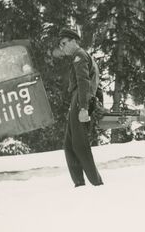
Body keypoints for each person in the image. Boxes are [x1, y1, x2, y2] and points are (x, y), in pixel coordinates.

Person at [55, 27, 103, 187]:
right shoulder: (81, 56)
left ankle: (96, 183)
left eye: (64, 43)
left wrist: (83, 108)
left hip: (81, 100)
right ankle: (79, 183)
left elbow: (84, 82)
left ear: (73, 41)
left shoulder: (79, 56)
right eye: (61, 45)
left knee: (79, 144)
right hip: (79, 99)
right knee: (69, 145)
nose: (63, 48)